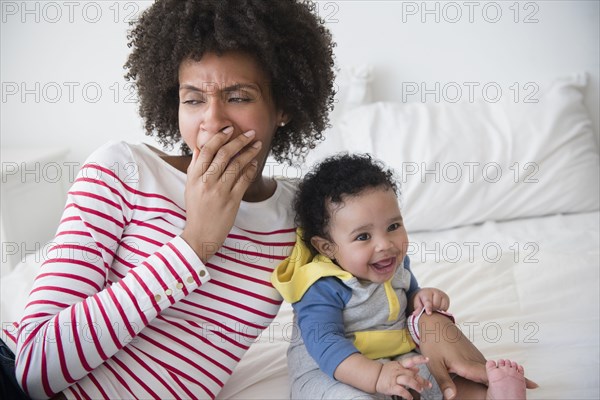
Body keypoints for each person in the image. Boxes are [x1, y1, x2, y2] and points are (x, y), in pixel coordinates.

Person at [0, 1, 525, 399]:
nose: (213, 122)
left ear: (283, 108)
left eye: (239, 97)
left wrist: (431, 325)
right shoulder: (121, 170)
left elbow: (382, 276)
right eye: (192, 99)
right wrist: (196, 242)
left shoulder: (301, 219)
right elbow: (37, 366)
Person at [272, 153, 528, 399]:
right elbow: (325, 344)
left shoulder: (395, 265)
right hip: (333, 371)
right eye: (363, 237)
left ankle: (490, 395)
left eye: (393, 227)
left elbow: (408, 299)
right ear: (327, 247)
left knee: (441, 378)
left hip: (393, 360)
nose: (385, 244)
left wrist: (422, 299)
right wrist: (377, 376)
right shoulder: (322, 285)